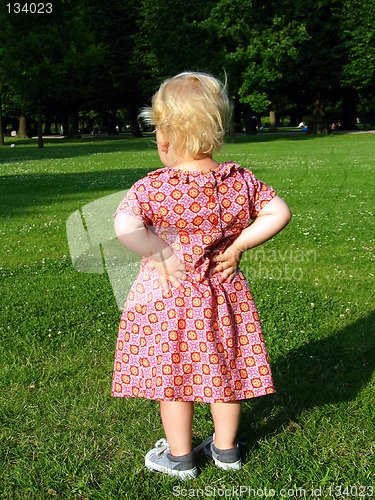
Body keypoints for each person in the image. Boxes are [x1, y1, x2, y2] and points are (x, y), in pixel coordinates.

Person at [112, 72, 292, 480]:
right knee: (226, 371)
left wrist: (159, 251)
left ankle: (180, 458)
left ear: (164, 136)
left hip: (168, 299)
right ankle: (227, 451)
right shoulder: (239, 181)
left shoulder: (153, 187)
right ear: (219, 130)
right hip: (222, 296)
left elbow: (124, 228)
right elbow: (279, 212)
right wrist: (237, 246)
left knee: (175, 378)